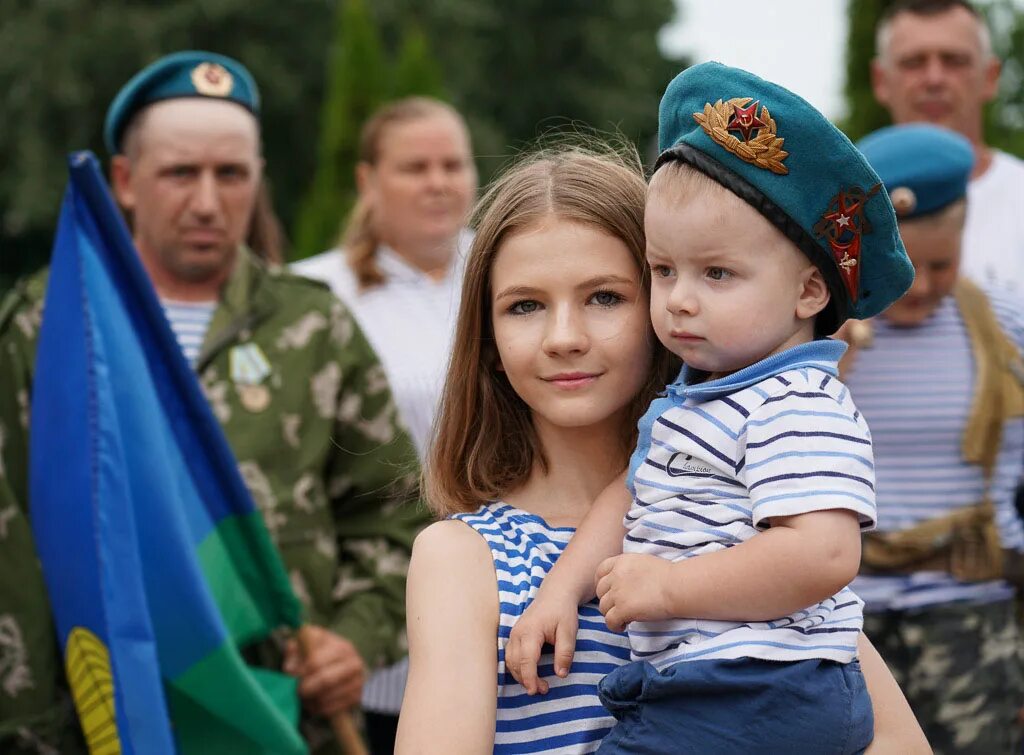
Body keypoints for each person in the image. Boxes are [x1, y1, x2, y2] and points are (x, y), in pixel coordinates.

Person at [395, 144, 929, 754]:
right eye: (525, 306)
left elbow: (897, 742)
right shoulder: (466, 557)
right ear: (487, 340)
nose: (565, 337)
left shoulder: (762, 521)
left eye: (605, 297)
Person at [0, 51, 426, 754]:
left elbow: (399, 512)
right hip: (99, 724)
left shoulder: (312, 325)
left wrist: (354, 641)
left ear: (257, 179)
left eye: (230, 175)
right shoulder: (47, 327)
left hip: (276, 719)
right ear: (124, 182)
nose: (206, 201)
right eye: (179, 173)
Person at [506, 63, 916, 754]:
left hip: (764, 686)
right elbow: (630, 493)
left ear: (811, 291)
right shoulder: (703, 396)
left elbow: (823, 551)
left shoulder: (797, 400)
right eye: (663, 270)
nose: (680, 299)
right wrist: (560, 591)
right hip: (713, 687)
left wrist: (669, 588)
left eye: (716, 273)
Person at [293, 96, 476, 752]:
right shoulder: (315, 297)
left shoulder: (509, 273)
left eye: (453, 163)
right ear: (368, 180)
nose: (438, 181)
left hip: (511, 594)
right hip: (374, 610)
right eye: (415, 166)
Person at [840, 123, 1024, 754]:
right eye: (903, 267)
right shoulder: (818, 336)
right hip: (845, 623)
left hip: (971, 616)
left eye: (941, 265)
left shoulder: (1003, 328)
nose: (919, 288)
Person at [871, 0, 1024, 294]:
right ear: (881, 80)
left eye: (955, 61)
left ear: (991, 77)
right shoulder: (838, 207)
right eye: (913, 62)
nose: (934, 79)